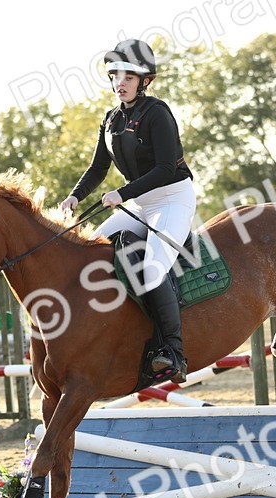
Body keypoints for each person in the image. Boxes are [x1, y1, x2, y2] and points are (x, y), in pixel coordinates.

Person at [58, 39, 194, 383]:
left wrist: (122, 193)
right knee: (91, 253)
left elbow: (165, 168)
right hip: (140, 204)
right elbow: (97, 168)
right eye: (115, 76)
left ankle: (173, 352)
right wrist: (74, 196)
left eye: (128, 77)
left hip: (172, 200)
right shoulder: (111, 119)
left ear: (144, 81)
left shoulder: (158, 113)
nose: (120, 82)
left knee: (152, 270)